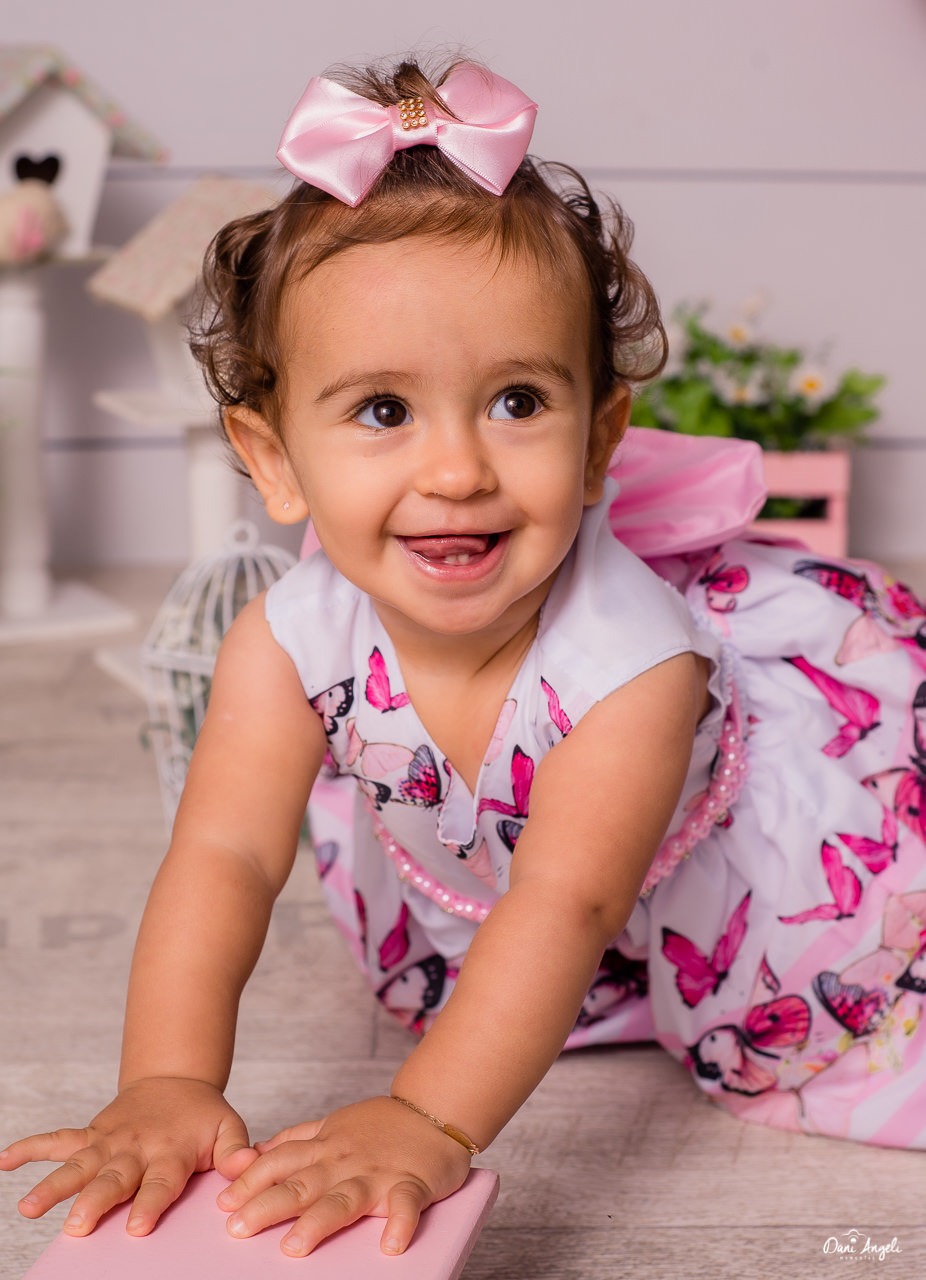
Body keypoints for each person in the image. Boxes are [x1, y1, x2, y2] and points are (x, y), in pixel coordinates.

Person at [2, 55, 925, 1259]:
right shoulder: (287, 638)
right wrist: (168, 1078)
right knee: (481, 960)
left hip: (718, 863)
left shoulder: (635, 663)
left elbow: (564, 901)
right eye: (382, 410)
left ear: (597, 439)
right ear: (273, 458)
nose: (455, 471)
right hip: (511, 873)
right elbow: (225, 852)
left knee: (804, 997)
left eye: (516, 402)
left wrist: (426, 1116)